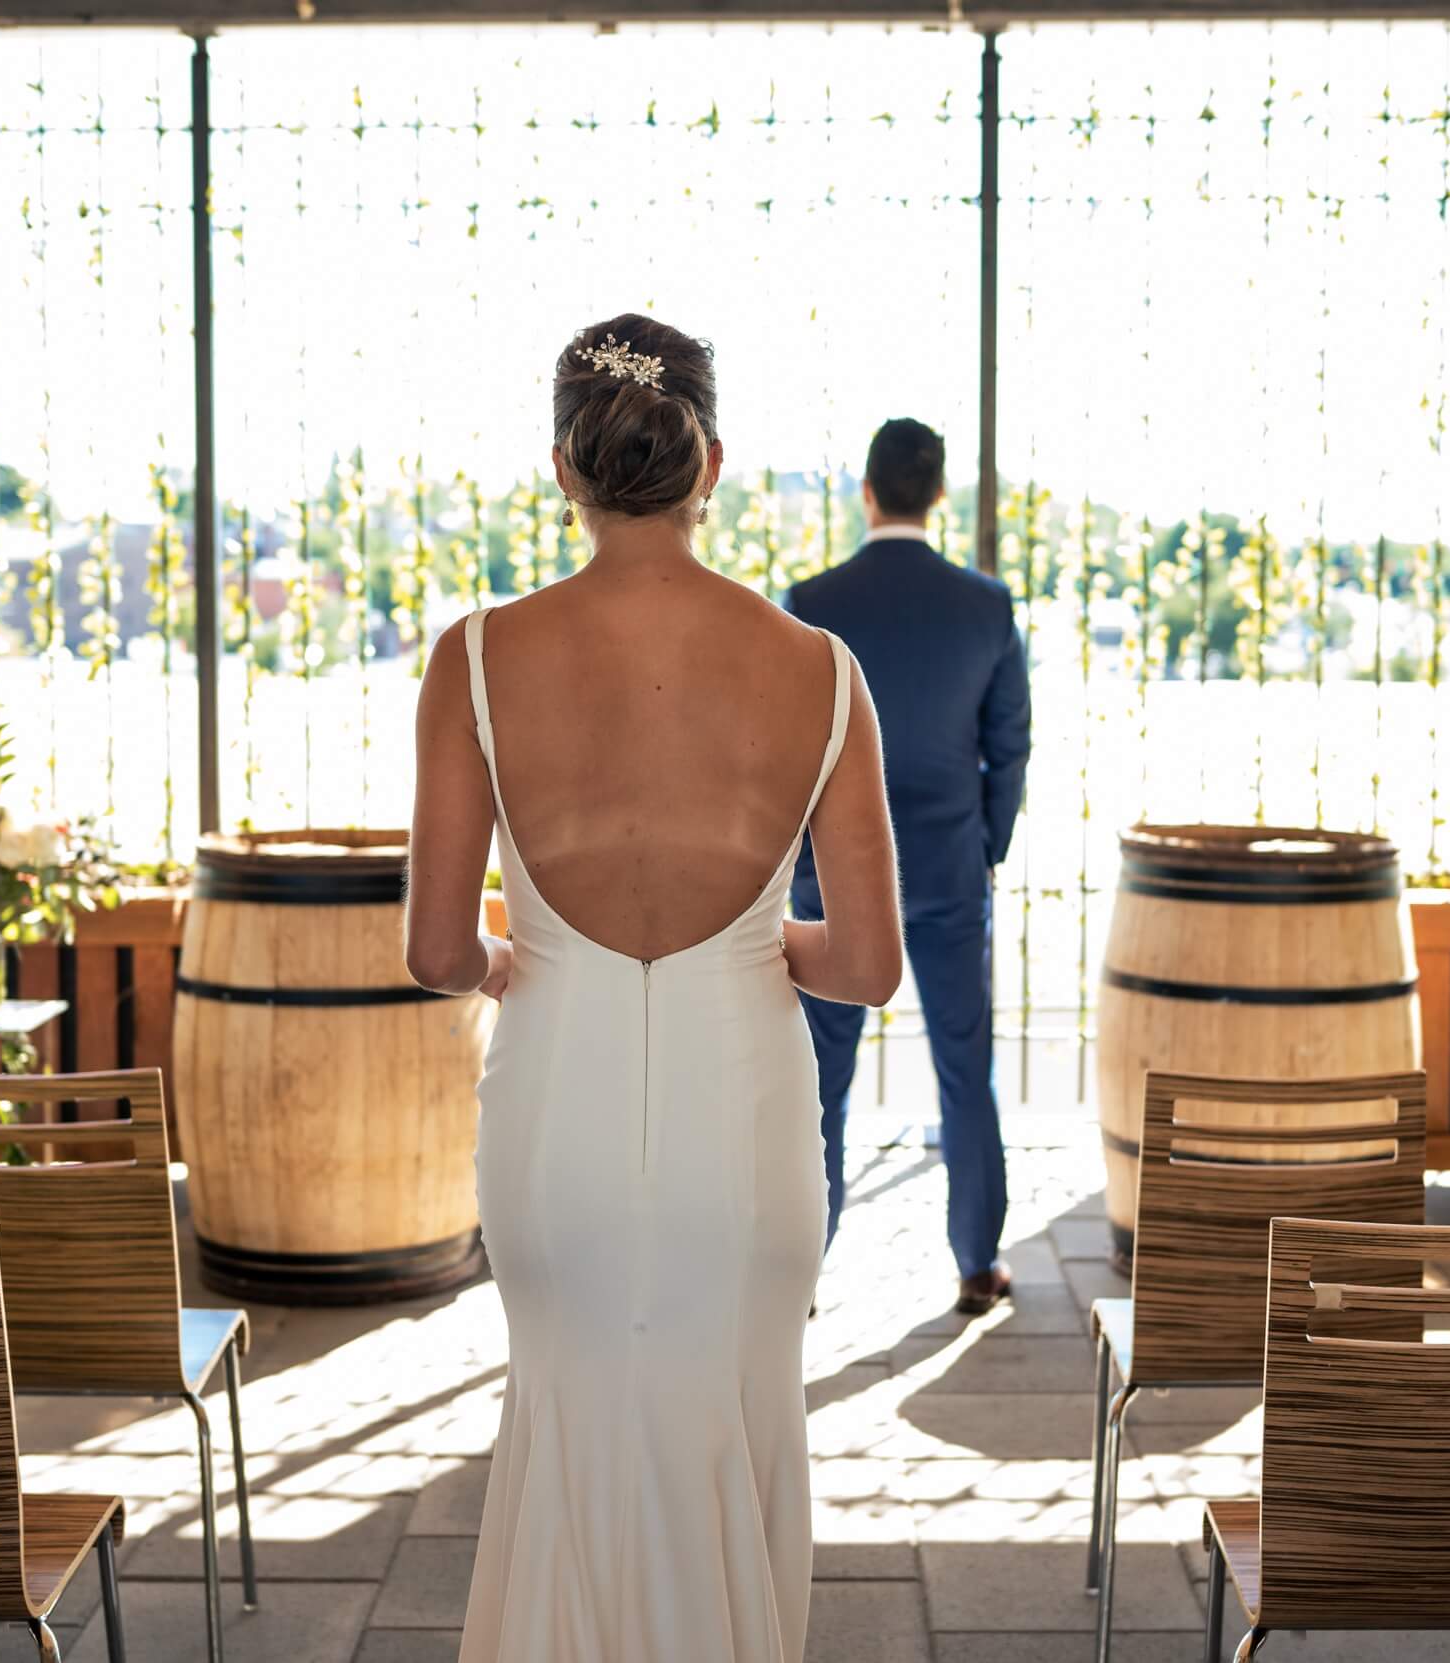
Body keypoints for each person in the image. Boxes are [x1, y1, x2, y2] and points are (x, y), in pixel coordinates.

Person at [404, 313, 904, 1663]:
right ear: (713, 461)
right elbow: (864, 963)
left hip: (553, 1114)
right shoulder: (821, 671)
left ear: (562, 468)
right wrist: (756, 946)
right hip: (740, 1122)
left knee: (567, 1419)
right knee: (734, 1429)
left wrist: (520, 962)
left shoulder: (476, 657)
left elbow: (438, 952)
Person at [785, 417, 1031, 1316]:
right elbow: (1010, 748)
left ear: (868, 492)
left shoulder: (812, 601)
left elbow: (783, 749)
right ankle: (976, 1259)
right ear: (937, 495)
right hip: (949, 874)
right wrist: (986, 848)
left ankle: (802, 1267)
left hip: (830, 879)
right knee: (966, 1066)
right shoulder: (987, 606)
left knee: (818, 1078)